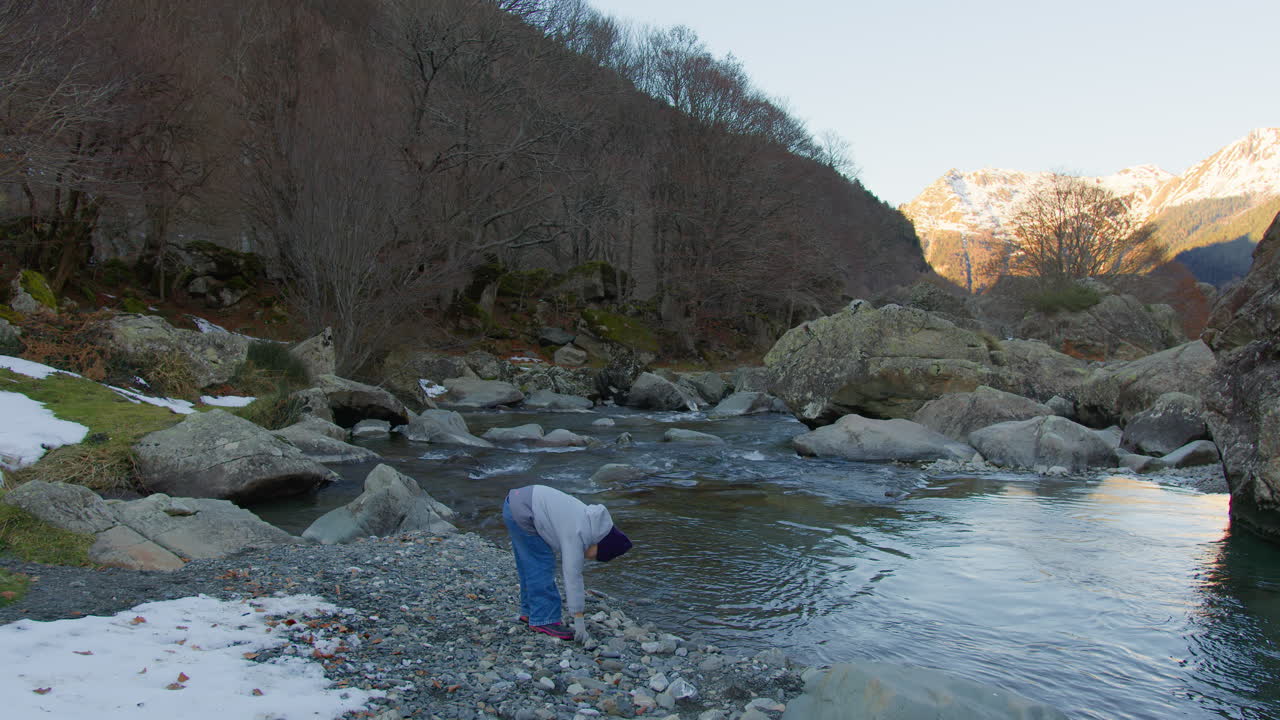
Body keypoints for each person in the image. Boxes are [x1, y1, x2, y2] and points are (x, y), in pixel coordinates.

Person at [502, 484, 632, 641]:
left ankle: (529, 612)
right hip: (525, 511)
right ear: (601, 544)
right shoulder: (578, 532)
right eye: (595, 556)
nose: (590, 558)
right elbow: (572, 576)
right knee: (541, 565)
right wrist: (579, 621)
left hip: (515, 503)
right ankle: (544, 619)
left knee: (528, 564)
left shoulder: (591, 522)